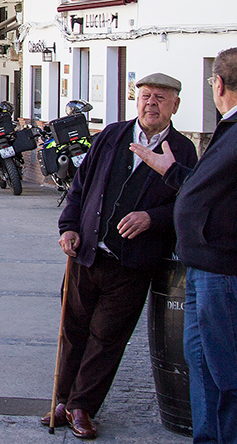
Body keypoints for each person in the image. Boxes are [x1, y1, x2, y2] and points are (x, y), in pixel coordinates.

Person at [133, 49, 237, 444]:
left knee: (234, 375)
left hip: (227, 274)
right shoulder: (235, 124)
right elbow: (213, 186)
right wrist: (170, 170)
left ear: (218, 84)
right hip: (209, 271)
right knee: (203, 367)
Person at [45, 73, 198, 439]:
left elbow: (188, 204)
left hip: (131, 263)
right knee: (73, 331)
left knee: (107, 338)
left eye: (161, 98)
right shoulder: (112, 136)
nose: (151, 103)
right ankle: (62, 401)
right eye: (146, 96)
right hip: (86, 255)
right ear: (136, 99)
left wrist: (152, 218)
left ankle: (83, 406)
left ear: (175, 105)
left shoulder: (182, 150)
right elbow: (81, 187)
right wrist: (68, 227)